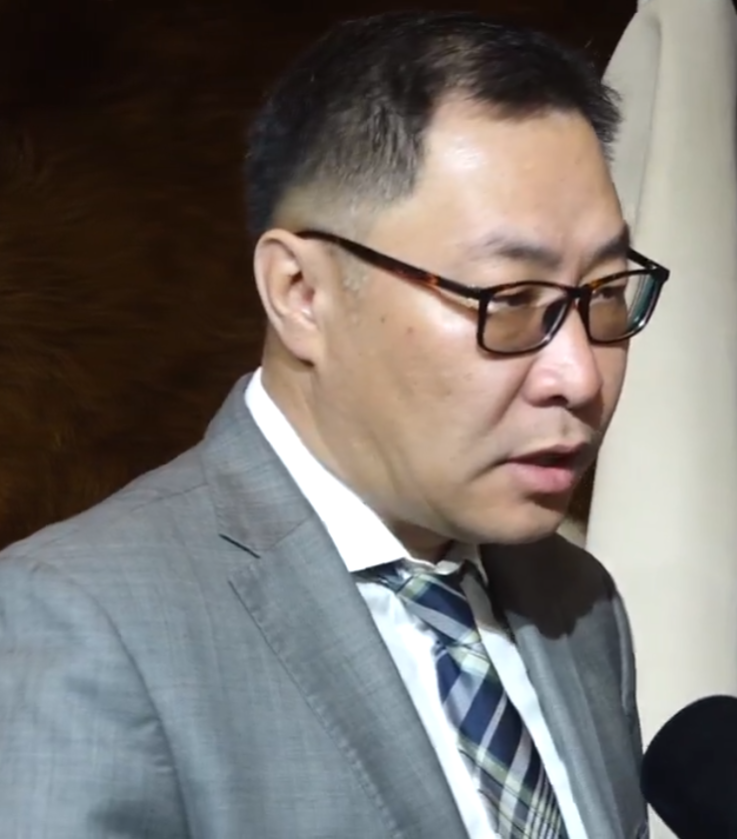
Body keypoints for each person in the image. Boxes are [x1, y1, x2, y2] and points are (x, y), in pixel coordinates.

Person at [0, 11, 669, 838]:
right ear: (301, 293)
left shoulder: (577, 600)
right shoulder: (82, 620)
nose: (580, 375)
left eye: (605, 293)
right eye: (510, 300)